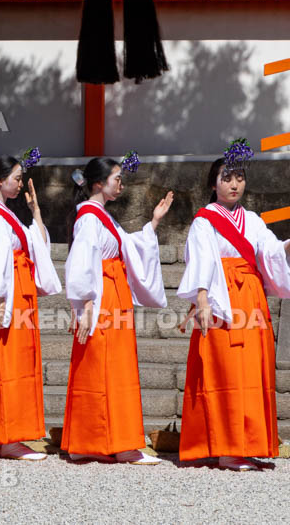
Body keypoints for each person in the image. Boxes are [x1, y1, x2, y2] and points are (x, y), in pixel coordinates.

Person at [177, 144, 290, 471]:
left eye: (239, 178)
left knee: (252, 369)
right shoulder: (204, 220)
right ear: (213, 184)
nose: (234, 184)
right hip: (220, 296)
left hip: (250, 297)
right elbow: (200, 260)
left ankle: (246, 443)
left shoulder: (252, 220)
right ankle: (226, 448)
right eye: (227, 178)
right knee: (224, 369)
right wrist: (201, 300)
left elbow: (269, 253)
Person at [62, 154, 173, 465]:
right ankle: (110, 443)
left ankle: (97, 442)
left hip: (111, 293)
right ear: (99, 183)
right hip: (102, 297)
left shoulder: (101, 216)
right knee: (104, 366)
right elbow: (82, 261)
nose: (121, 184)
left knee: (109, 367)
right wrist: (85, 304)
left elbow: (129, 247)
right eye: (117, 178)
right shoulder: (89, 217)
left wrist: (154, 222)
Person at [0, 153, 62, 460]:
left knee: (1, 363)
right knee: (10, 363)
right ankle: (7, 438)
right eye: (17, 178)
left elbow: (36, 245)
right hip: (8, 295)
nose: (21, 184)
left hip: (14, 291)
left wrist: (36, 212)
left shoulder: (3, 214)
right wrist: (1, 302)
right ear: (0, 180)